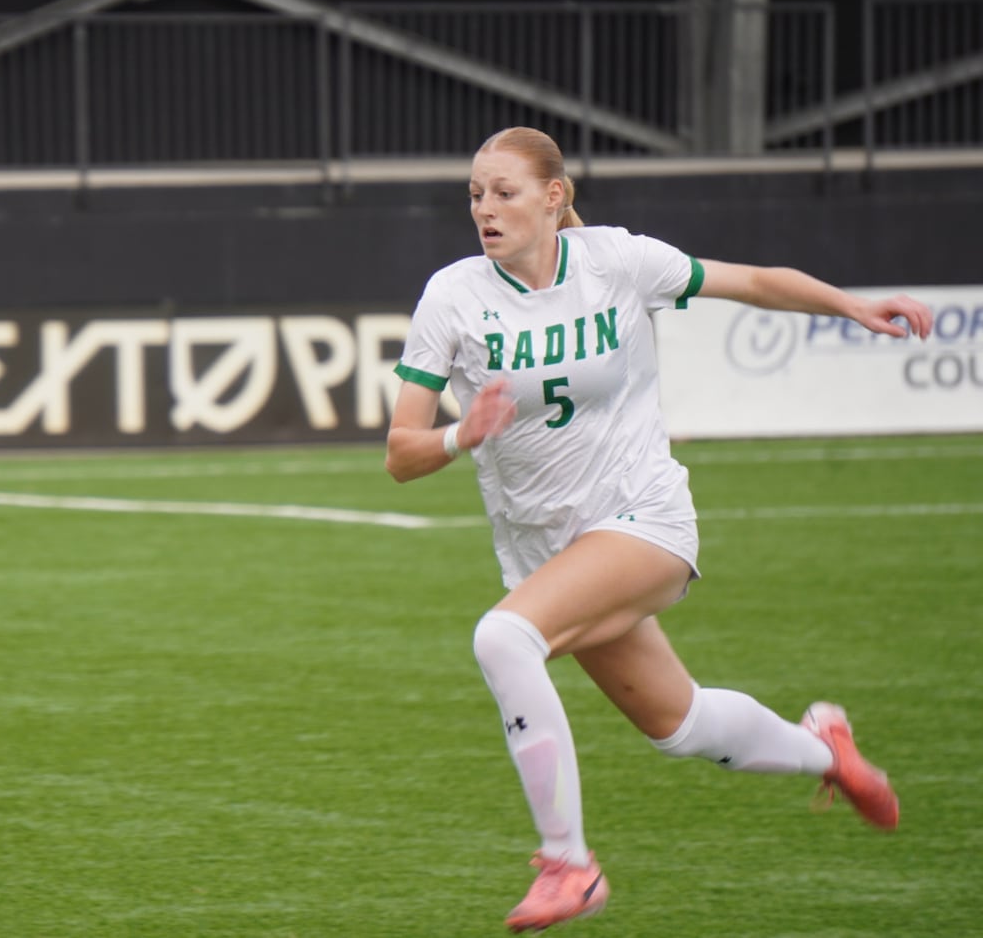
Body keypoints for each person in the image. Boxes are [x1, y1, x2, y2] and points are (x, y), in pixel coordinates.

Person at [385, 127, 931, 933]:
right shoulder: (453, 296)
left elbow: (750, 282)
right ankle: (829, 751)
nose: (485, 209)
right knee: (679, 727)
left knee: (503, 639)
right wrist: (464, 434)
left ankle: (570, 864)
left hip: (645, 518)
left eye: (504, 191)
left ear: (554, 196)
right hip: (549, 549)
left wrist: (850, 304)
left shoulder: (616, 260)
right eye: (474, 193)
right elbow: (401, 452)